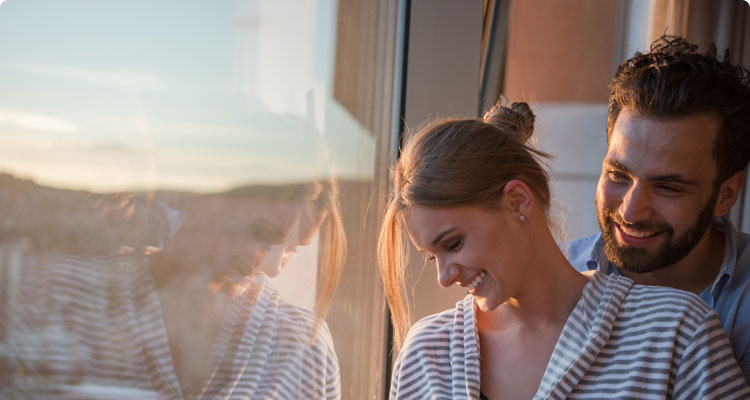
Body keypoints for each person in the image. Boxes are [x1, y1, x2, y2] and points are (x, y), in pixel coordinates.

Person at [379, 102, 750, 399]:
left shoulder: (678, 332)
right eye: (432, 256)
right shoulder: (426, 352)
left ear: (517, 201)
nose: (444, 278)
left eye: (454, 243)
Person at [0, 176, 344, 399]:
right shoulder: (56, 290)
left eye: (292, 250)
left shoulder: (304, 348)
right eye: (262, 234)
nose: (269, 268)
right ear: (208, 198)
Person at [565, 35, 750, 383]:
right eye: (618, 175)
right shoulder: (556, 275)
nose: (632, 212)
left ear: (726, 195)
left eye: (668, 187)